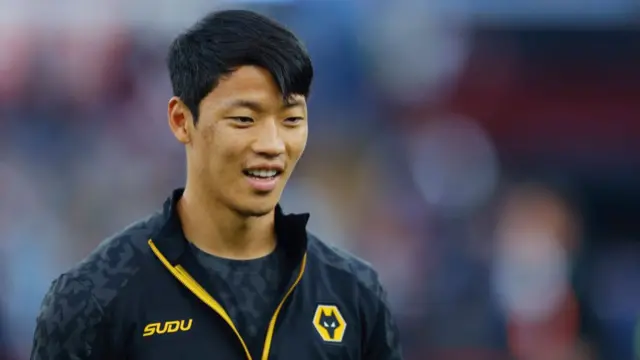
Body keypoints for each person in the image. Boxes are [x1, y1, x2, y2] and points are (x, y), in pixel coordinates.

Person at [30, 9, 403, 360]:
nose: (272, 145)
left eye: (291, 120)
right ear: (181, 120)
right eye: (244, 119)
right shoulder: (94, 297)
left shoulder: (353, 292)